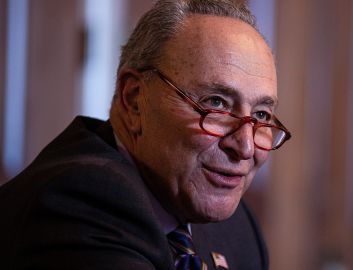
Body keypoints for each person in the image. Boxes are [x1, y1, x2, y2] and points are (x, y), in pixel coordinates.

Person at [0, 0, 291, 269]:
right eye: (216, 103)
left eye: (261, 115)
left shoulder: (236, 229)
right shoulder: (79, 201)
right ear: (135, 98)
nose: (245, 146)